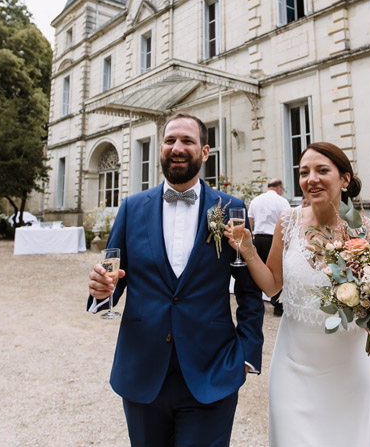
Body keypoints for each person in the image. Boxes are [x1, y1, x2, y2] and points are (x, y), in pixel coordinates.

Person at [87, 113, 264, 447]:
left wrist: (247, 354)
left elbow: (249, 291)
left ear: (205, 151)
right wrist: (100, 291)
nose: (177, 148)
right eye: (170, 140)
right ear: (161, 149)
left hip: (213, 370)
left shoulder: (231, 208)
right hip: (143, 371)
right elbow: (112, 279)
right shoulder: (131, 208)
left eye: (187, 141)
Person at [224, 142, 370, 446]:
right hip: (293, 368)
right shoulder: (288, 221)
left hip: (351, 370)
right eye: (304, 172)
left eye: (323, 170)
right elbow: (272, 286)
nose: (312, 179)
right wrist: (249, 250)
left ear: (344, 179)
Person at [248, 177, 291, 316]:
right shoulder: (282, 201)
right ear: (279, 187)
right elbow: (288, 222)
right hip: (274, 238)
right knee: (276, 272)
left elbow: (249, 221)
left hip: (258, 237)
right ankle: (278, 306)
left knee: (256, 271)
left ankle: (255, 303)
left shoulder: (256, 200)